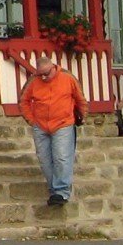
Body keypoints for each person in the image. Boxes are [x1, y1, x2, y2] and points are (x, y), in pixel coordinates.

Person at [18, 51, 83, 207]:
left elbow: (80, 97)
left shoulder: (68, 78)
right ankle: (54, 190)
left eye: (46, 74)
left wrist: (82, 115)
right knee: (45, 159)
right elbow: (23, 101)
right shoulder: (34, 81)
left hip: (63, 123)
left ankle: (61, 192)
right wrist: (31, 120)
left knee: (61, 157)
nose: (44, 77)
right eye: (41, 74)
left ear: (53, 68)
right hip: (40, 125)